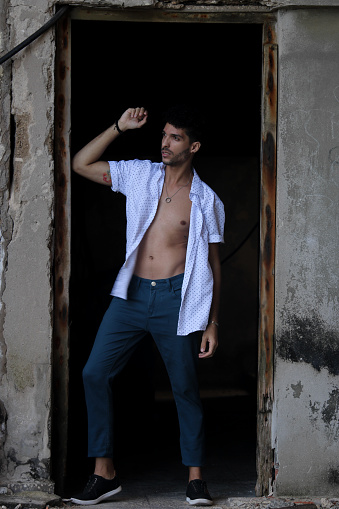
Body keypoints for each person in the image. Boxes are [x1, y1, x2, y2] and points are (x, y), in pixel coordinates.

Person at [68, 106, 225, 506]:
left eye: (175, 137)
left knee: (185, 387)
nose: (165, 143)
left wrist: (212, 322)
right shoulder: (140, 174)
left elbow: (212, 265)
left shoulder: (206, 201)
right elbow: (80, 163)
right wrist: (119, 127)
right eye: (164, 135)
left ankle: (195, 479)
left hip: (176, 299)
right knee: (93, 373)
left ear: (194, 146)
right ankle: (104, 474)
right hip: (132, 296)